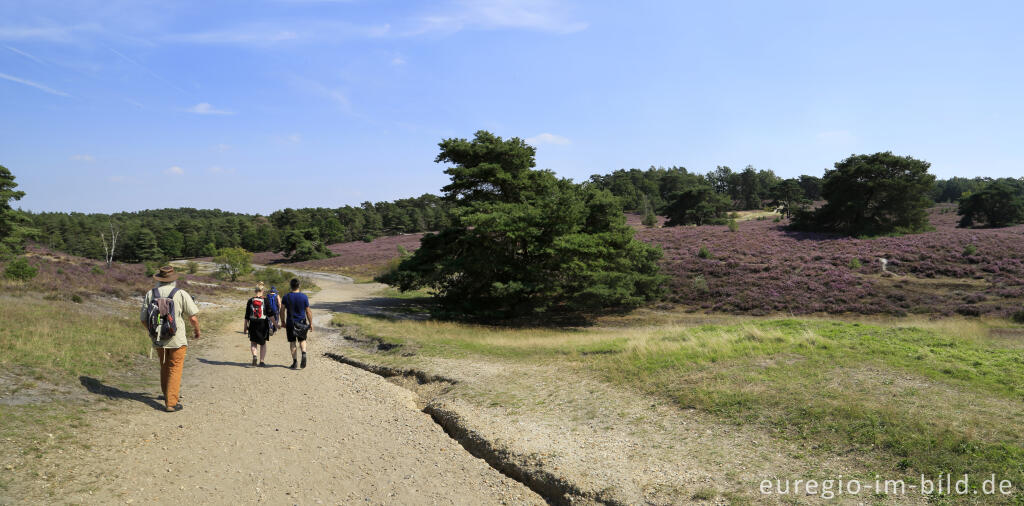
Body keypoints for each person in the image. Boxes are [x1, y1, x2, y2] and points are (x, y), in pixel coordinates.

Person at [139, 265, 200, 412]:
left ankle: (167, 393)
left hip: (158, 338)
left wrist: (153, 332)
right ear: (173, 280)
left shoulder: (151, 294)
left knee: (164, 365)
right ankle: (171, 403)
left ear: (159, 280)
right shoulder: (180, 293)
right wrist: (197, 331)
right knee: (175, 367)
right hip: (177, 338)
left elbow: (143, 319)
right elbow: (193, 317)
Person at [280, 277, 313, 369]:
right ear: (299, 285)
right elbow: (308, 311)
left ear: (291, 286)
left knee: (292, 342)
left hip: (290, 322)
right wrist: (311, 323)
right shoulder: (304, 297)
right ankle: (304, 353)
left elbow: (282, 310)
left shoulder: (286, 297)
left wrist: (282, 321)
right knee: (302, 340)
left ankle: (295, 362)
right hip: (302, 322)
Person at [243, 283, 275, 367]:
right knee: (263, 343)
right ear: (263, 291)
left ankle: (254, 356)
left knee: (253, 342)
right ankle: (262, 361)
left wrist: (245, 327)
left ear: (255, 291)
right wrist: (275, 324)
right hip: (263, 324)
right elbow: (270, 314)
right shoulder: (266, 300)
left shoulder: (250, 300)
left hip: (253, 323)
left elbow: (246, 316)